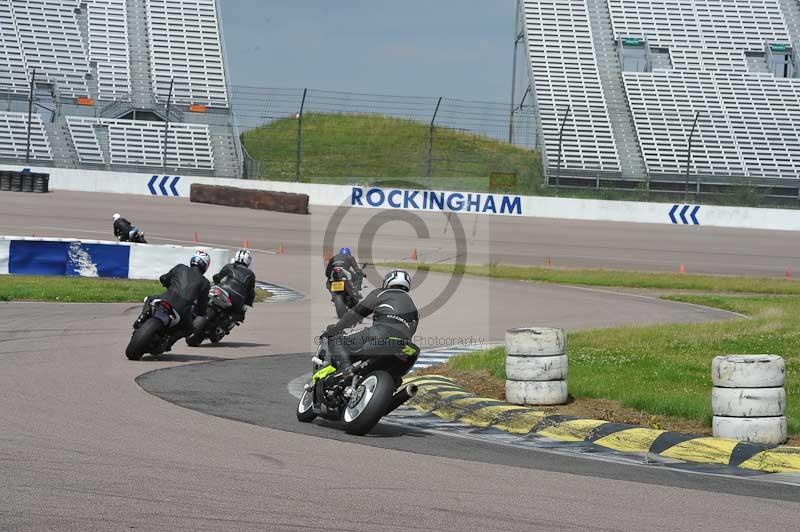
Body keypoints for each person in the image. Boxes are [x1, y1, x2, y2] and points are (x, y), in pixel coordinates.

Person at [322, 269, 418, 373]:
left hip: (381, 334)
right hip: (406, 347)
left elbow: (356, 313)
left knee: (337, 342)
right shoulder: (414, 307)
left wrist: (336, 328)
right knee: (395, 378)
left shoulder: (382, 293)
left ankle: (346, 372)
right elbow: (411, 331)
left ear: (388, 281)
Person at [137, 251, 211, 352]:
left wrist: (168, 284)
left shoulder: (180, 267)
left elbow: (164, 278)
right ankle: (168, 341)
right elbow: (202, 304)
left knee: (150, 299)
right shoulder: (205, 283)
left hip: (167, 298)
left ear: (192, 261)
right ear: (205, 266)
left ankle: (142, 317)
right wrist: (201, 312)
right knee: (189, 329)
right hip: (182, 308)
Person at [212, 248, 256, 322]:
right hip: (238, 297)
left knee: (208, 297)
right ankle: (223, 326)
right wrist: (249, 302)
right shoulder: (251, 274)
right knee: (239, 315)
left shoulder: (229, 266)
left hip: (223, 289)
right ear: (248, 260)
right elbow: (250, 293)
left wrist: (216, 283)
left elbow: (217, 277)